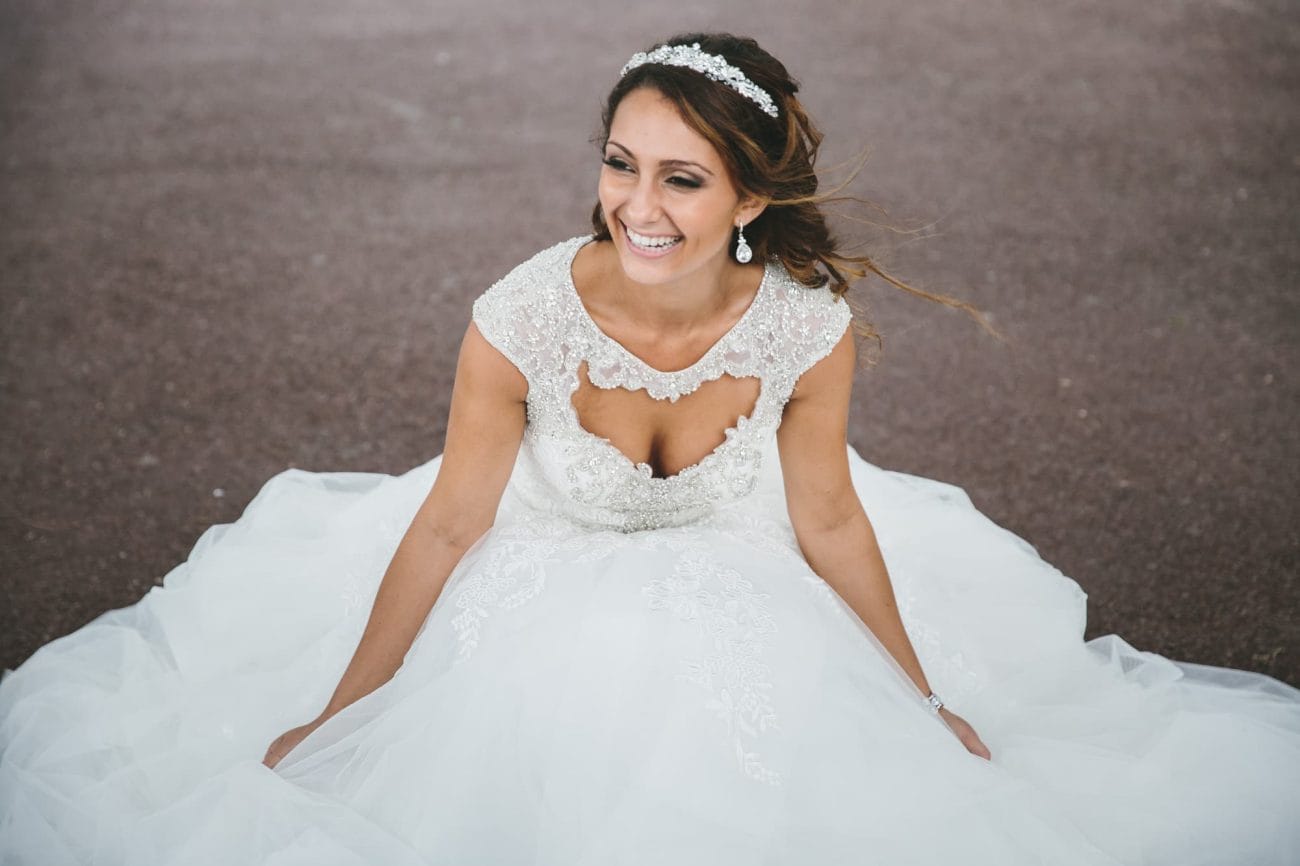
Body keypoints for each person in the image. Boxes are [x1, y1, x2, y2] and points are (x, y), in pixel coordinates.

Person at [2, 31, 1298, 866]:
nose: (638, 203)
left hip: (745, 580)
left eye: (683, 177)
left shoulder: (805, 330)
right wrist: (345, 715)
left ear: (750, 197)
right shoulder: (520, 315)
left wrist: (918, 699)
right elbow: (454, 519)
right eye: (624, 164)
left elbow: (831, 517)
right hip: (528, 572)